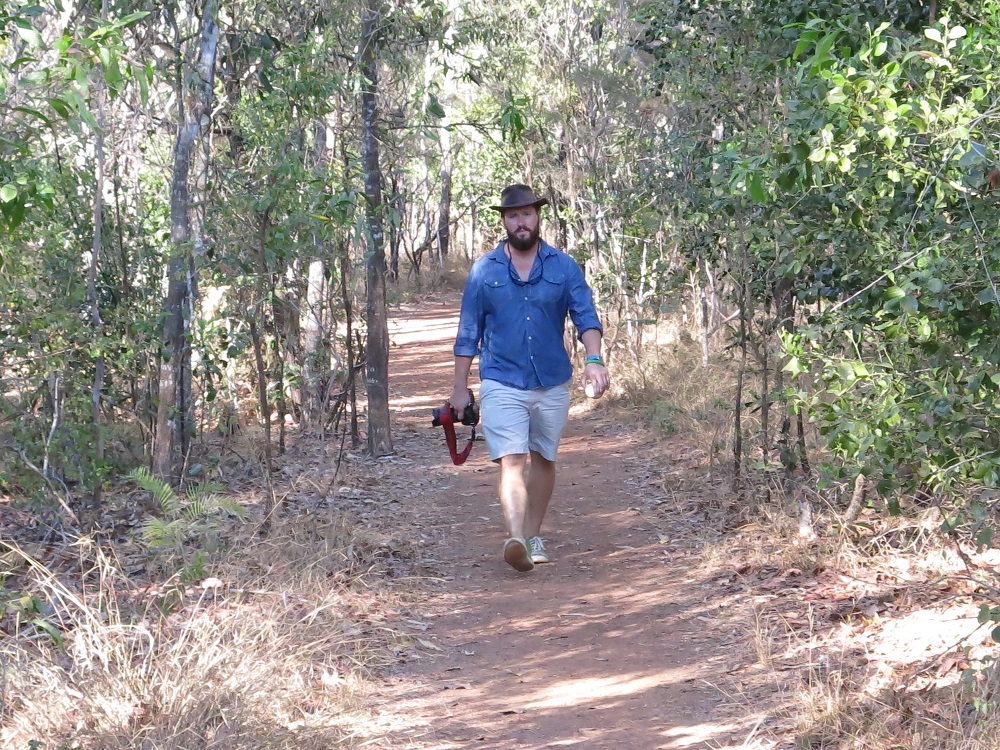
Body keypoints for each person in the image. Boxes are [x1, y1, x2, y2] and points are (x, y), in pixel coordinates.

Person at [449, 183, 610, 573]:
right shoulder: (485, 270)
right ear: (504, 222)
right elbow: (468, 331)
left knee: (543, 457)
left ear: (538, 217)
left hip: (551, 380)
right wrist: (459, 388)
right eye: (513, 216)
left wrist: (594, 359)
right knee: (512, 459)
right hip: (501, 378)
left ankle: (533, 535)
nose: (520, 222)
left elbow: (585, 317)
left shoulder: (563, 266)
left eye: (526, 214)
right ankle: (517, 538)